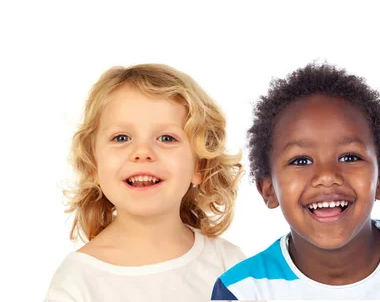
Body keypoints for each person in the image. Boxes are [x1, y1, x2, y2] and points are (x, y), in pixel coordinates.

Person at [211, 62, 380, 300]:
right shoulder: (242, 291)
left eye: (350, 157)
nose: (327, 176)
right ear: (268, 189)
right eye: (301, 161)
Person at [45, 64, 245, 302]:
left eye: (166, 138)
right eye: (121, 138)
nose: (142, 152)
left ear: (200, 165)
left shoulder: (228, 265)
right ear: (93, 165)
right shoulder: (77, 282)